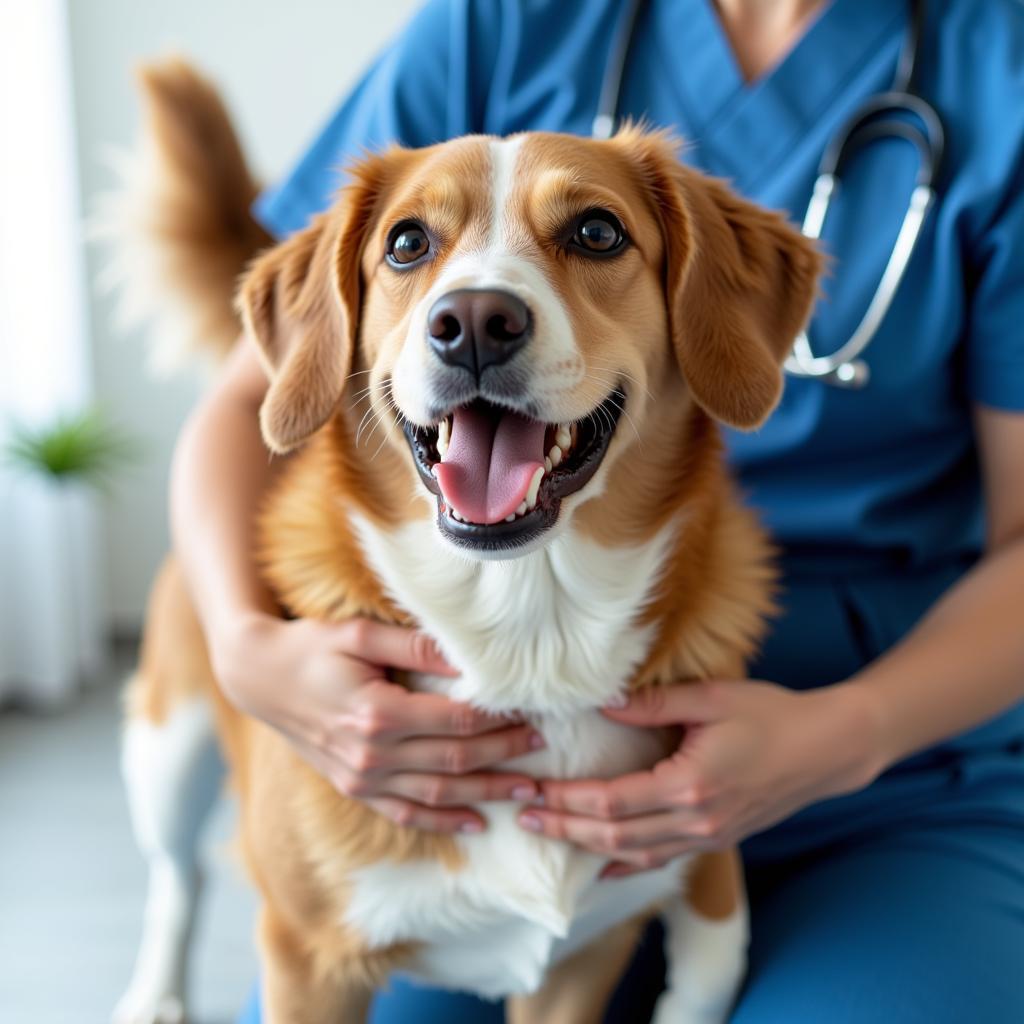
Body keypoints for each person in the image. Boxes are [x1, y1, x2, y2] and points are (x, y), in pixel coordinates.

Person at [169, 1, 1024, 1020]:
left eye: (591, 233)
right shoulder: (501, 24)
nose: (474, 310)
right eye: (414, 250)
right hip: (460, 749)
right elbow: (244, 403)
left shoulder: (1000, 65)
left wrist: (853, 730)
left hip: (896, 754)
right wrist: (241, 644)